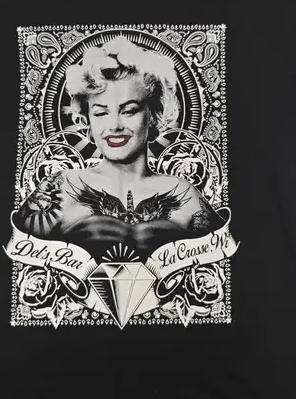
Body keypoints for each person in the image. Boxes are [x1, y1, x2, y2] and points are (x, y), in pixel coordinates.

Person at [14, 35, 222, 260]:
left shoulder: (185, 195)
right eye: (100, 113)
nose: (114, 126)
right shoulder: (60, 187)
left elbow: (222, 266)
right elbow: (16, 265)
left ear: (154, 115)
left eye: (129, 111)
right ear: (87, 120)